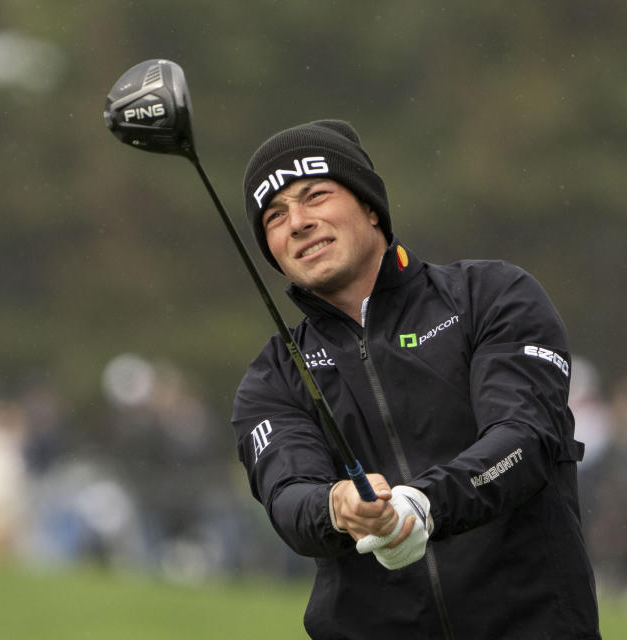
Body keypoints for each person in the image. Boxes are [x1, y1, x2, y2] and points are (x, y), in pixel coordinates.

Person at [231, 120, 601, 639]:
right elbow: (290, 498)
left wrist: (423, 505)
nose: (297, 222)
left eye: (315, 196)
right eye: (275, 215)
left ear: (371, 207)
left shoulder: (491, 296)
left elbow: (525, 436)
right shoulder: (273, 375)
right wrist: (339, 506)